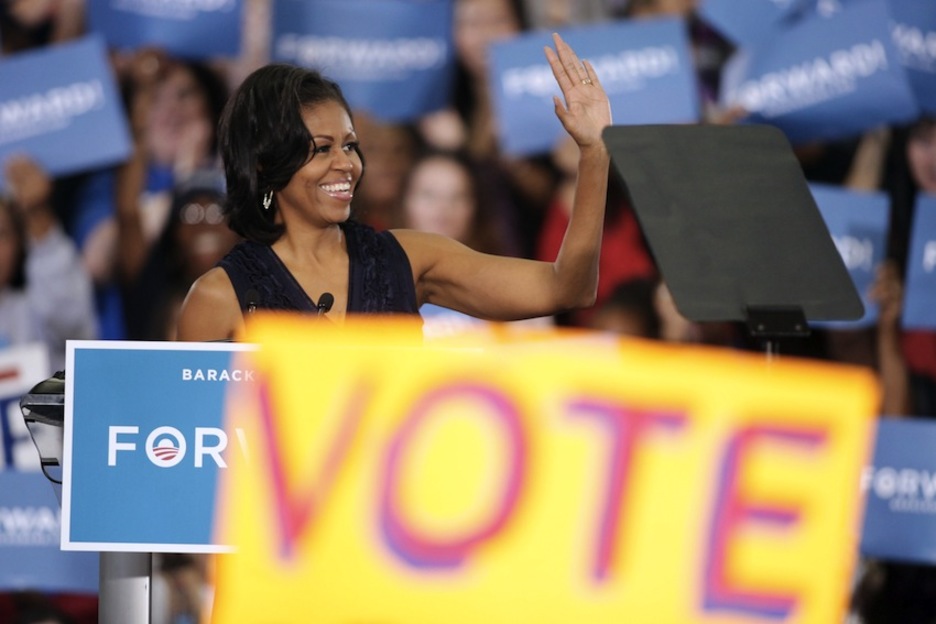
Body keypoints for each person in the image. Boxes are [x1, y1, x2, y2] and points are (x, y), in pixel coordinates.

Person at [177, 33, 612, 342]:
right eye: (322, 149)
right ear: (266, 164)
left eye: (349, 146)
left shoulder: (409, 259)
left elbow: (565, 288)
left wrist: (594, 154)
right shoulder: (219, 296)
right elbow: (193, 446)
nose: (346, 164)